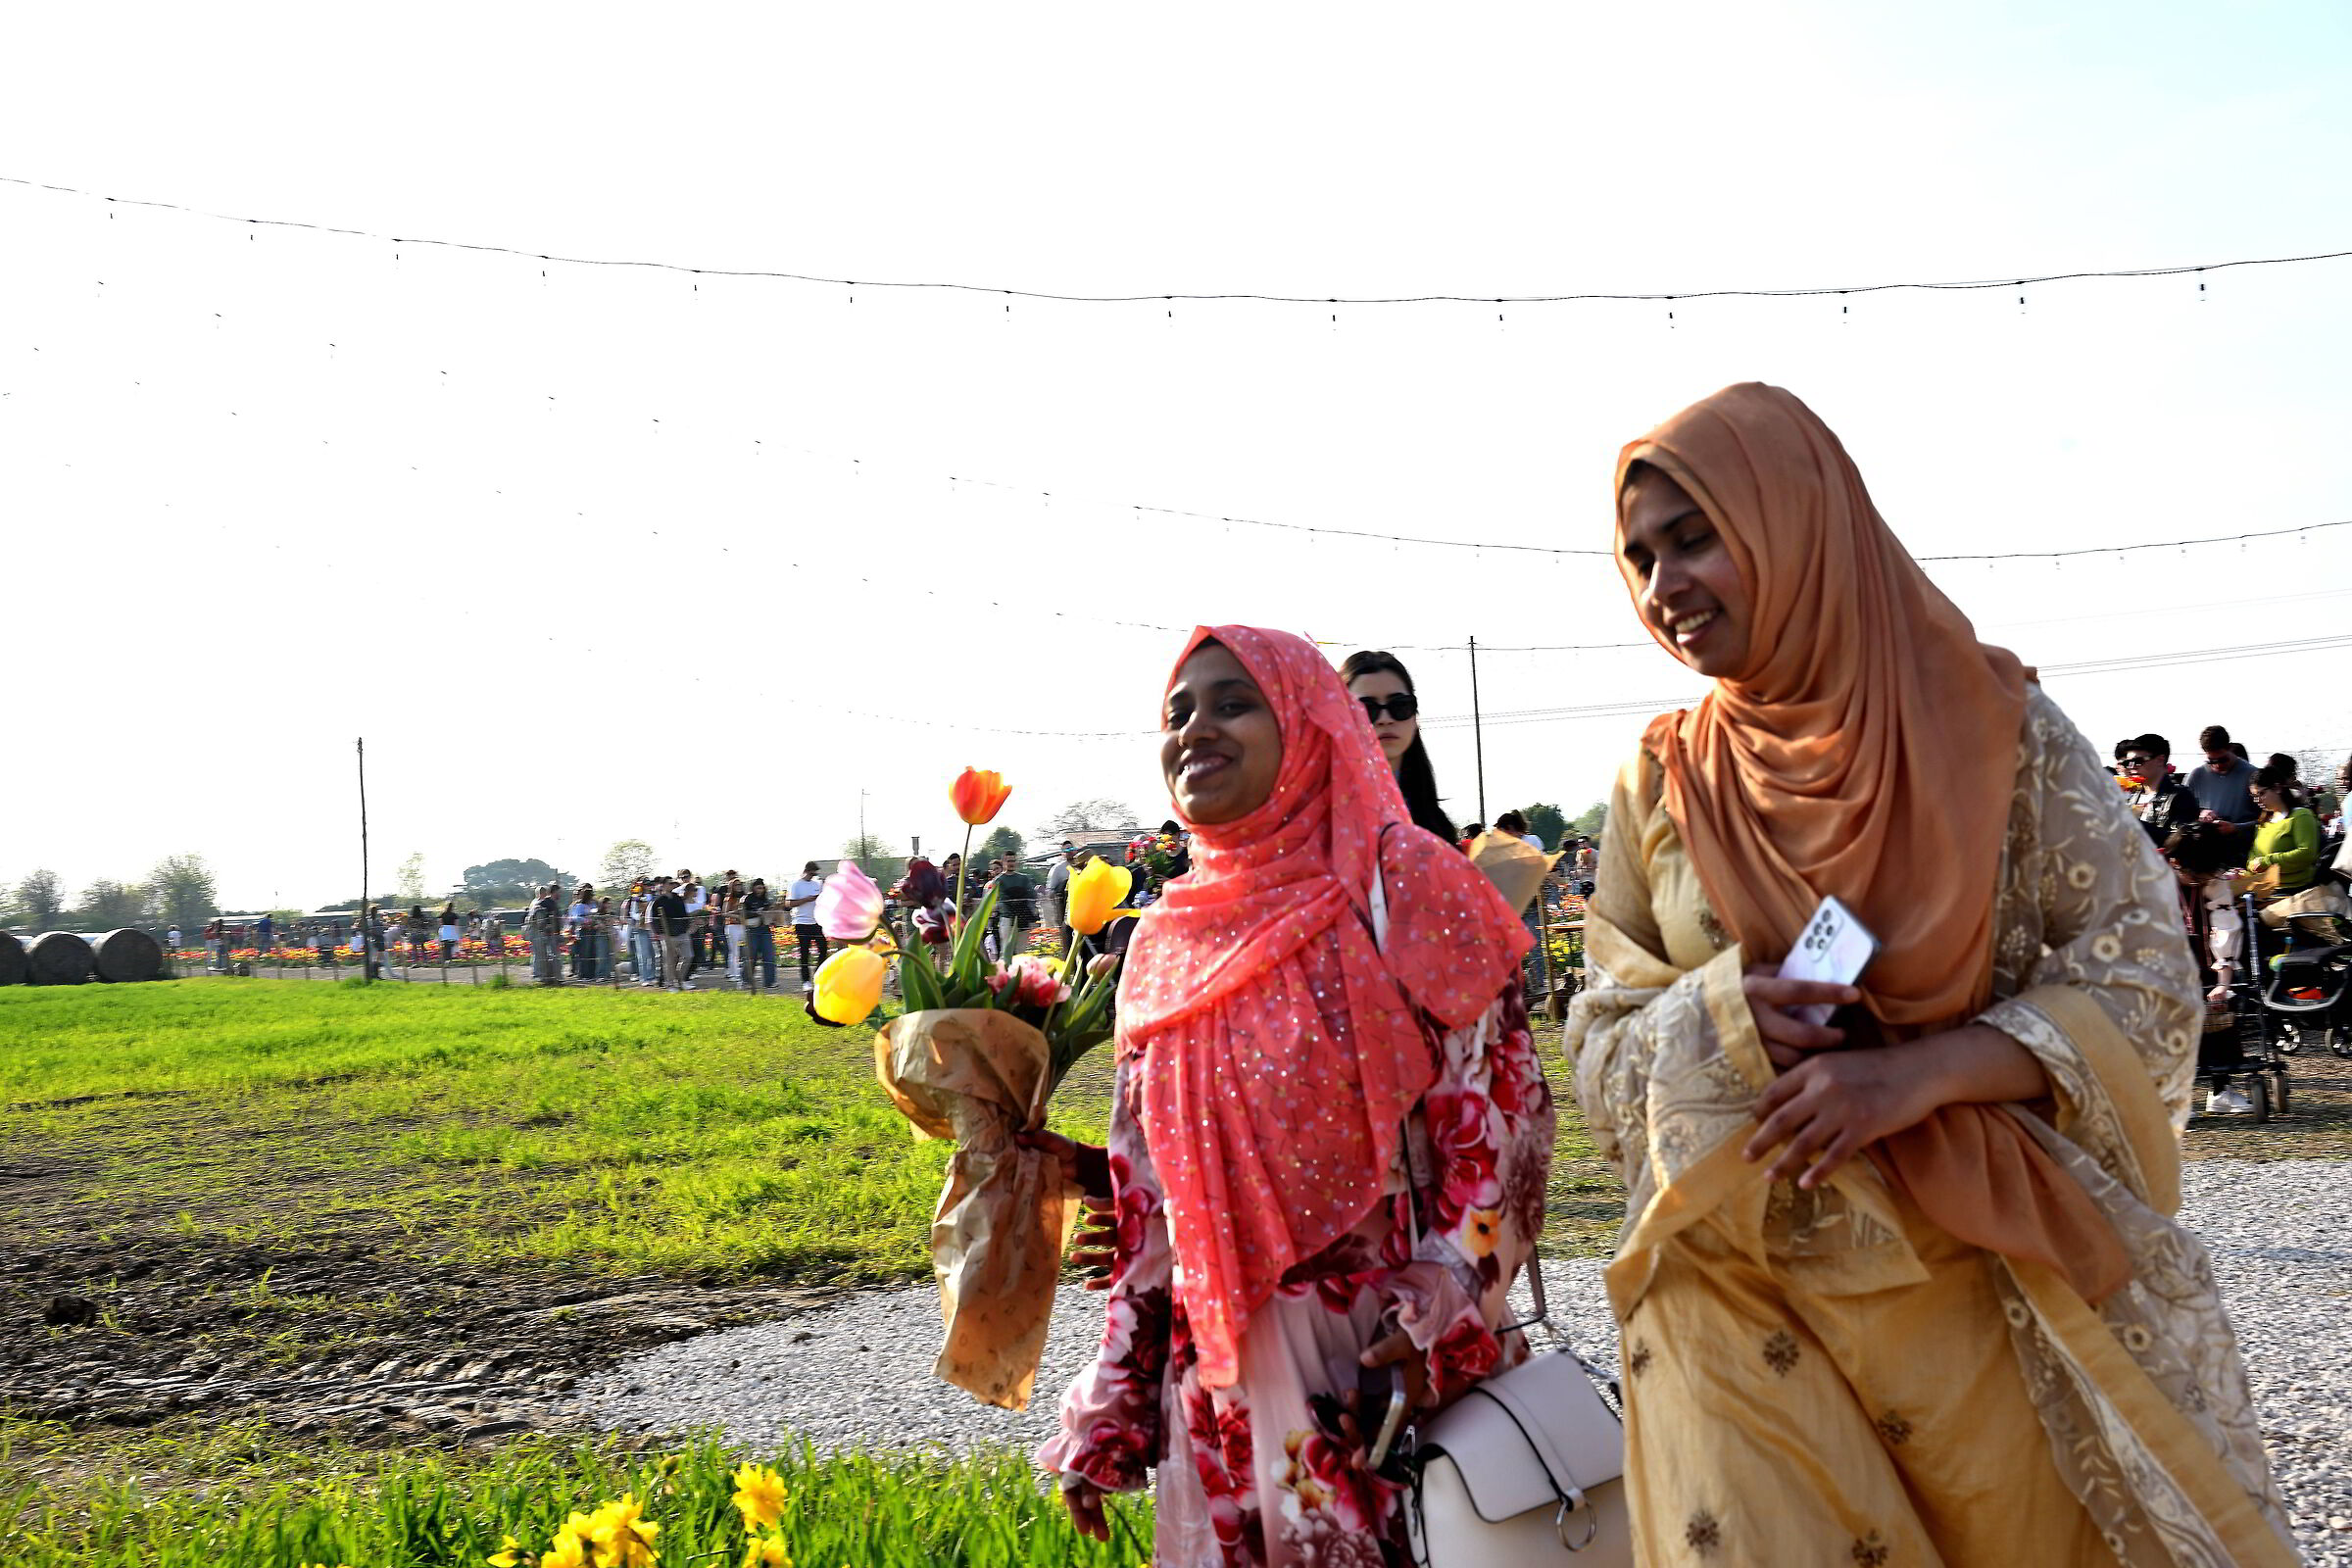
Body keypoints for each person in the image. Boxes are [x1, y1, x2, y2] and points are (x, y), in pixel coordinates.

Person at [1570, 383, 2287, 1563]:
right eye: (1640, 556)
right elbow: (1601, 1031)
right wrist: (1718, 1019)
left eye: (1694, 538)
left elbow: (2147, 977)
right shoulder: (1663, 779)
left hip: (1970, 1289)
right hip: (1738, 1298)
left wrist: (1923, 1076)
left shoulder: (1995, 728)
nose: (1663, 588)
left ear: (1800, 523)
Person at [1037, 624, 1552, 1566]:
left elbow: (1502, 1118)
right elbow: (1152, 1205)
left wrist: (1438, 1311)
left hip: (1382, 1372)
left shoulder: (1406, 883)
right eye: (1176, 711)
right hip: (1226, 1382)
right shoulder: (1163, 941)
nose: (1196, 728)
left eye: (1234, 702)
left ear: (1311, 722)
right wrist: (1111, 1405)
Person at [1338, 649, 1457, 844]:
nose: (1385, 719)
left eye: (1399, 705)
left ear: (1415, 716)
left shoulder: (1434, 821)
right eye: (1366, 709)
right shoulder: (1318, 813)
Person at [2182, 725, 2259, 862]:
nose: (2217, 765)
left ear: (2230, 748)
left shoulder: (2252, 775)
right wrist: (2201, 813)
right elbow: (2182, 813)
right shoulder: (2196, 775)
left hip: (2242, 854)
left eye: (2222, 760)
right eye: (2211, 761)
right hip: (2206, 854)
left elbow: (2269, 821)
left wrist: (2236, 828)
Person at [2120, 732, 2198, 849]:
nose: (2131, 767)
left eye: (2138, 761)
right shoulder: (2132, 797)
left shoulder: (2180, 796)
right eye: (2127, 763)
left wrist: (2135, 825)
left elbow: (2181, 841)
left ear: (2160, 760)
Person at [990, 854, 1038, 960]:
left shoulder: (1024, 878)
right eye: (1008, 861)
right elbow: (1001, 898)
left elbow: (1031, 895)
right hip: (1007, 918)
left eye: (1013, 861)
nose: (1011, 863)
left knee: (1022, 951)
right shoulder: (998, 880)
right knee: (1006, 951)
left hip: (1023, 917)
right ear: (1003, 862)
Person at [649, 875, 693, 991]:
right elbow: (654, 919)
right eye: (669, 883)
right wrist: (660, 933)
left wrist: (687, 928)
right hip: (667, 934)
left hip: (682, 932)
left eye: (672, 883)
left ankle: (680, 979)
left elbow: (684, 915)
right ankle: (670, 984)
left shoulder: (678, 898)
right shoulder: (658, 901)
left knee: (688, 956)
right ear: (662, 885)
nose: (671, 885)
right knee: (669, 960)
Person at [787, 860, 827, 983]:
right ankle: (806, 981)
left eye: (814, 874)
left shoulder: (817, 884)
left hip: (816, 922)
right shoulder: (795, 885)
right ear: (805, 871)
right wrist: (806, 899)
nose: (812, 877)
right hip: (801, 922)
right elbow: (789, 903)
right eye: (810, 874)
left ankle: (817, 973)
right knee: (804, 952)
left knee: (823, 949)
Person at [742, 877, 777, 990]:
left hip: (765, 929)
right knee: (751, 956)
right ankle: (746, 981)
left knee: (769, 956)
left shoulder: (766, 899)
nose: (760, 890)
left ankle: (769, 982)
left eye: (762, 888)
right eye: (758, 888)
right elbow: (742, 913)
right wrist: (756, 913)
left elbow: (770, 912)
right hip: (752, 930)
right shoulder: (747, 899)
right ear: (753, 888)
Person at [524, 886, 562, 983]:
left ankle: (544, 974)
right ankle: (539, 975)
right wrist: (546, 928)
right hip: (541, 933)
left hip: (544, 933)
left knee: (541, 955)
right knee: (539, 954)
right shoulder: (539, 904)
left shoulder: (536, 903)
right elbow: (539, 921)